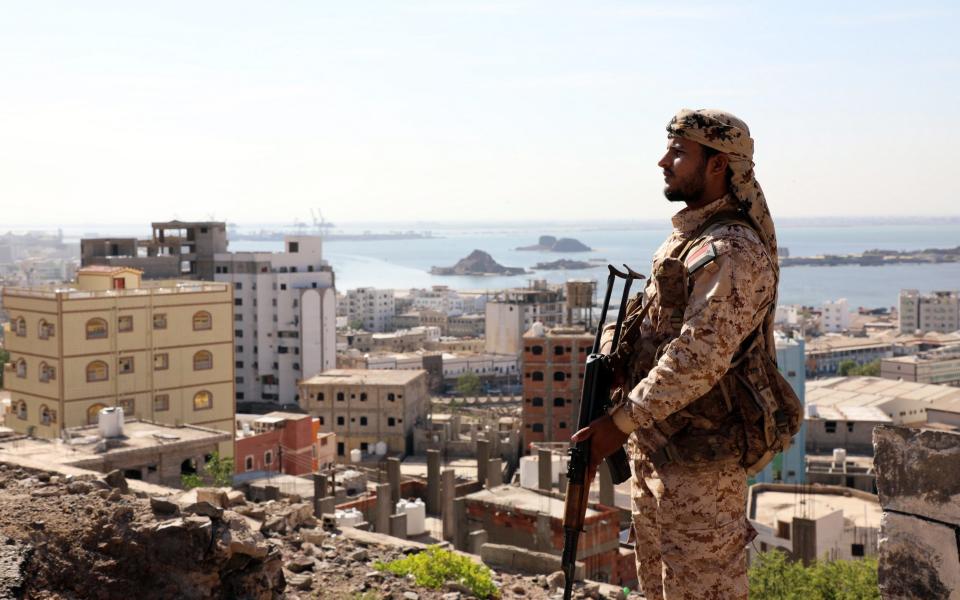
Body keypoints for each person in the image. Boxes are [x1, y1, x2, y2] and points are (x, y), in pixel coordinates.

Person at [572, 109, 781, 599]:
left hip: (701, 463)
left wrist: (619, 423)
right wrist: (613, 349)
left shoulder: (731, 250)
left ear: (717, 165)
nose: (663, 161)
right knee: (657, 586)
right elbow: (651, 320)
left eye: (679, 151)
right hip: (661, 449)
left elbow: (699, 356)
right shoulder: (690, 239)